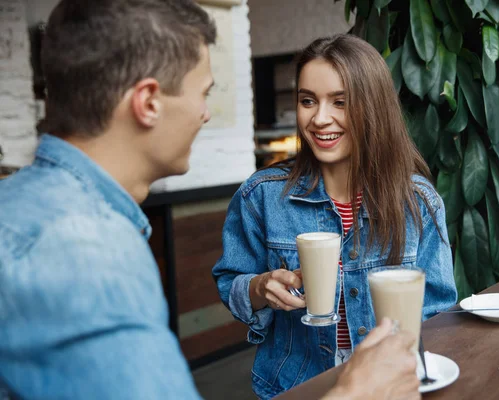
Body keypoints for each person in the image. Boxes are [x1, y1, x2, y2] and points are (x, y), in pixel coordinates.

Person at [0, 1, 422, 399]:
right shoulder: (84, 247)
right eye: (203, 93)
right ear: (148, 102)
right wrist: (357, 393)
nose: (206, 113)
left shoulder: (25, 207)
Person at [212, 34, 458, 399]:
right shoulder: (261, 195)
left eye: (340, 102)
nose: (320, 118)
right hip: (295, 387)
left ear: (373, 107)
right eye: (307, 101)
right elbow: (229, 281)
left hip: (390, 387)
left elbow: (438, 314)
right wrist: (259, 287)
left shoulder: (417, 201)